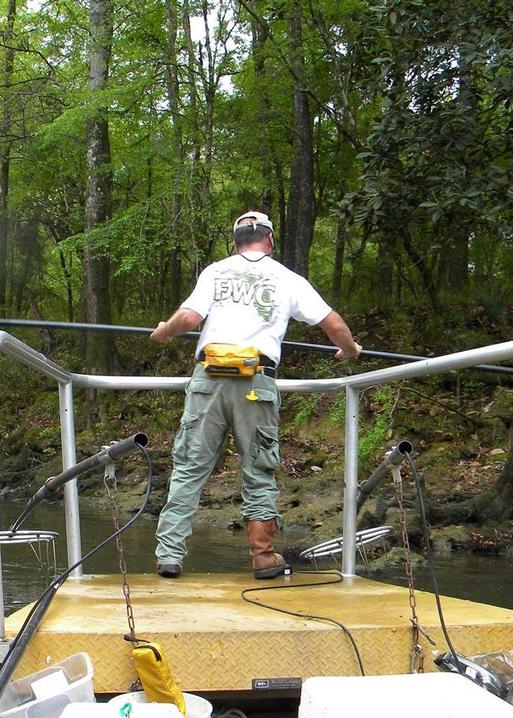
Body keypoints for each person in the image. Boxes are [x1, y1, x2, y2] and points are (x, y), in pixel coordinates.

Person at [150, 210, 361, 580]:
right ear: (270, 240)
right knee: (259, 470)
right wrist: (350, 350)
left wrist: (164, 332)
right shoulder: (287, 278)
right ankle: (262, 557)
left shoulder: (215, 271)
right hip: (257, 383)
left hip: (209, 380)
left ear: (236, 242)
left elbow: (187, 320)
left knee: (189, 467)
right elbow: (335, 325)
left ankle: (169, 556)